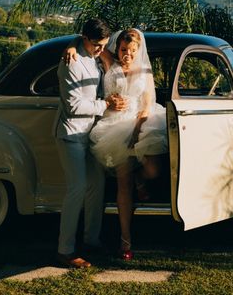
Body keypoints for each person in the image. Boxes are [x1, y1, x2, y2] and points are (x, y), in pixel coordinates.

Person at [65, 28, 168, 260]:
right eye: (123, 49)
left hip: (141, 123)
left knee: (152, 170)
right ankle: (125, 239)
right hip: (112, 126)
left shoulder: (145, 71)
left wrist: (136, 132)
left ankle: (141, 179)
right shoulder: (109, 60)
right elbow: (85, 40)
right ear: (117, 47)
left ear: (139, 50)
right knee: (124, 182)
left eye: (132, 51)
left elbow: (148, 105)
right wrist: (70, 46)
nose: (127, 55)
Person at [55, 18, 127, 269]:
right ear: (84, 37)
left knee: (96, 184)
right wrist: (106, 104)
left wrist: (74, 43)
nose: (100, 49)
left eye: (103, 45)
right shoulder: (70, 63)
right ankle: (65, 250)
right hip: (72, 133)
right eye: (96, 44)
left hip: (92, 132)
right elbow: (74, 107)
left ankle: (91, 239)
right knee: (77, 188)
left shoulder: (91, 51)